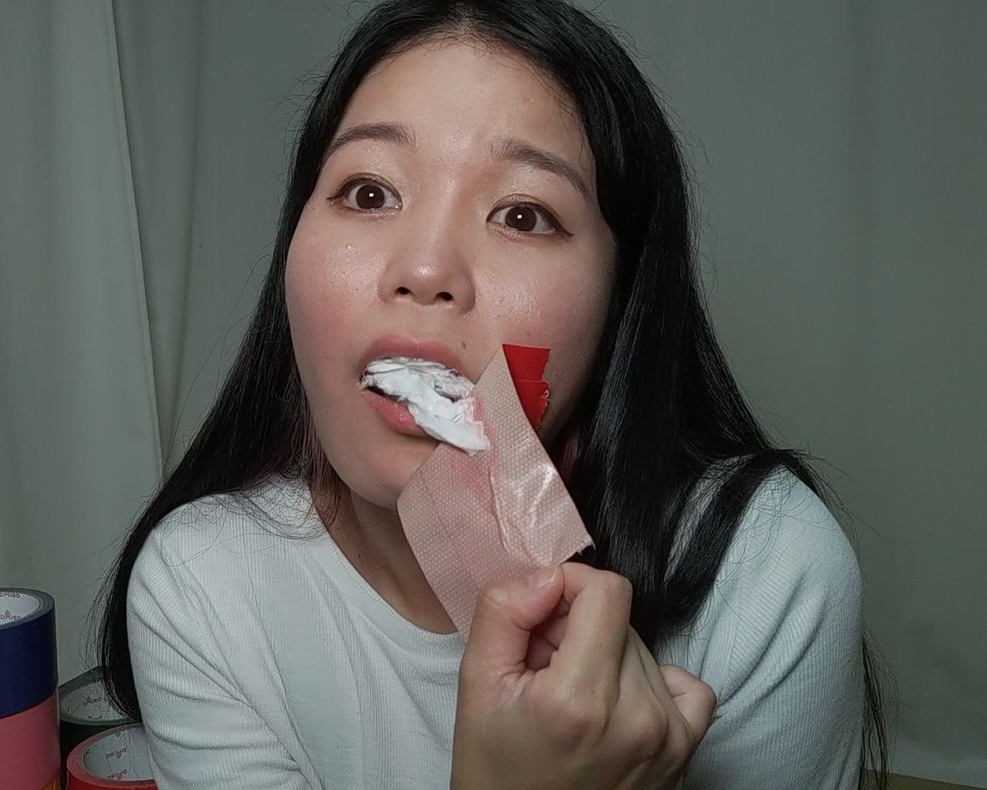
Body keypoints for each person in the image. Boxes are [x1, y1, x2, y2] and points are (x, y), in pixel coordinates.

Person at [95, 0, 889, 787]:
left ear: (621, 304)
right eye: (369, 193)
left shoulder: (764, 573)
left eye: (522, 214)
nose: (427, 269)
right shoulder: (203, 581)